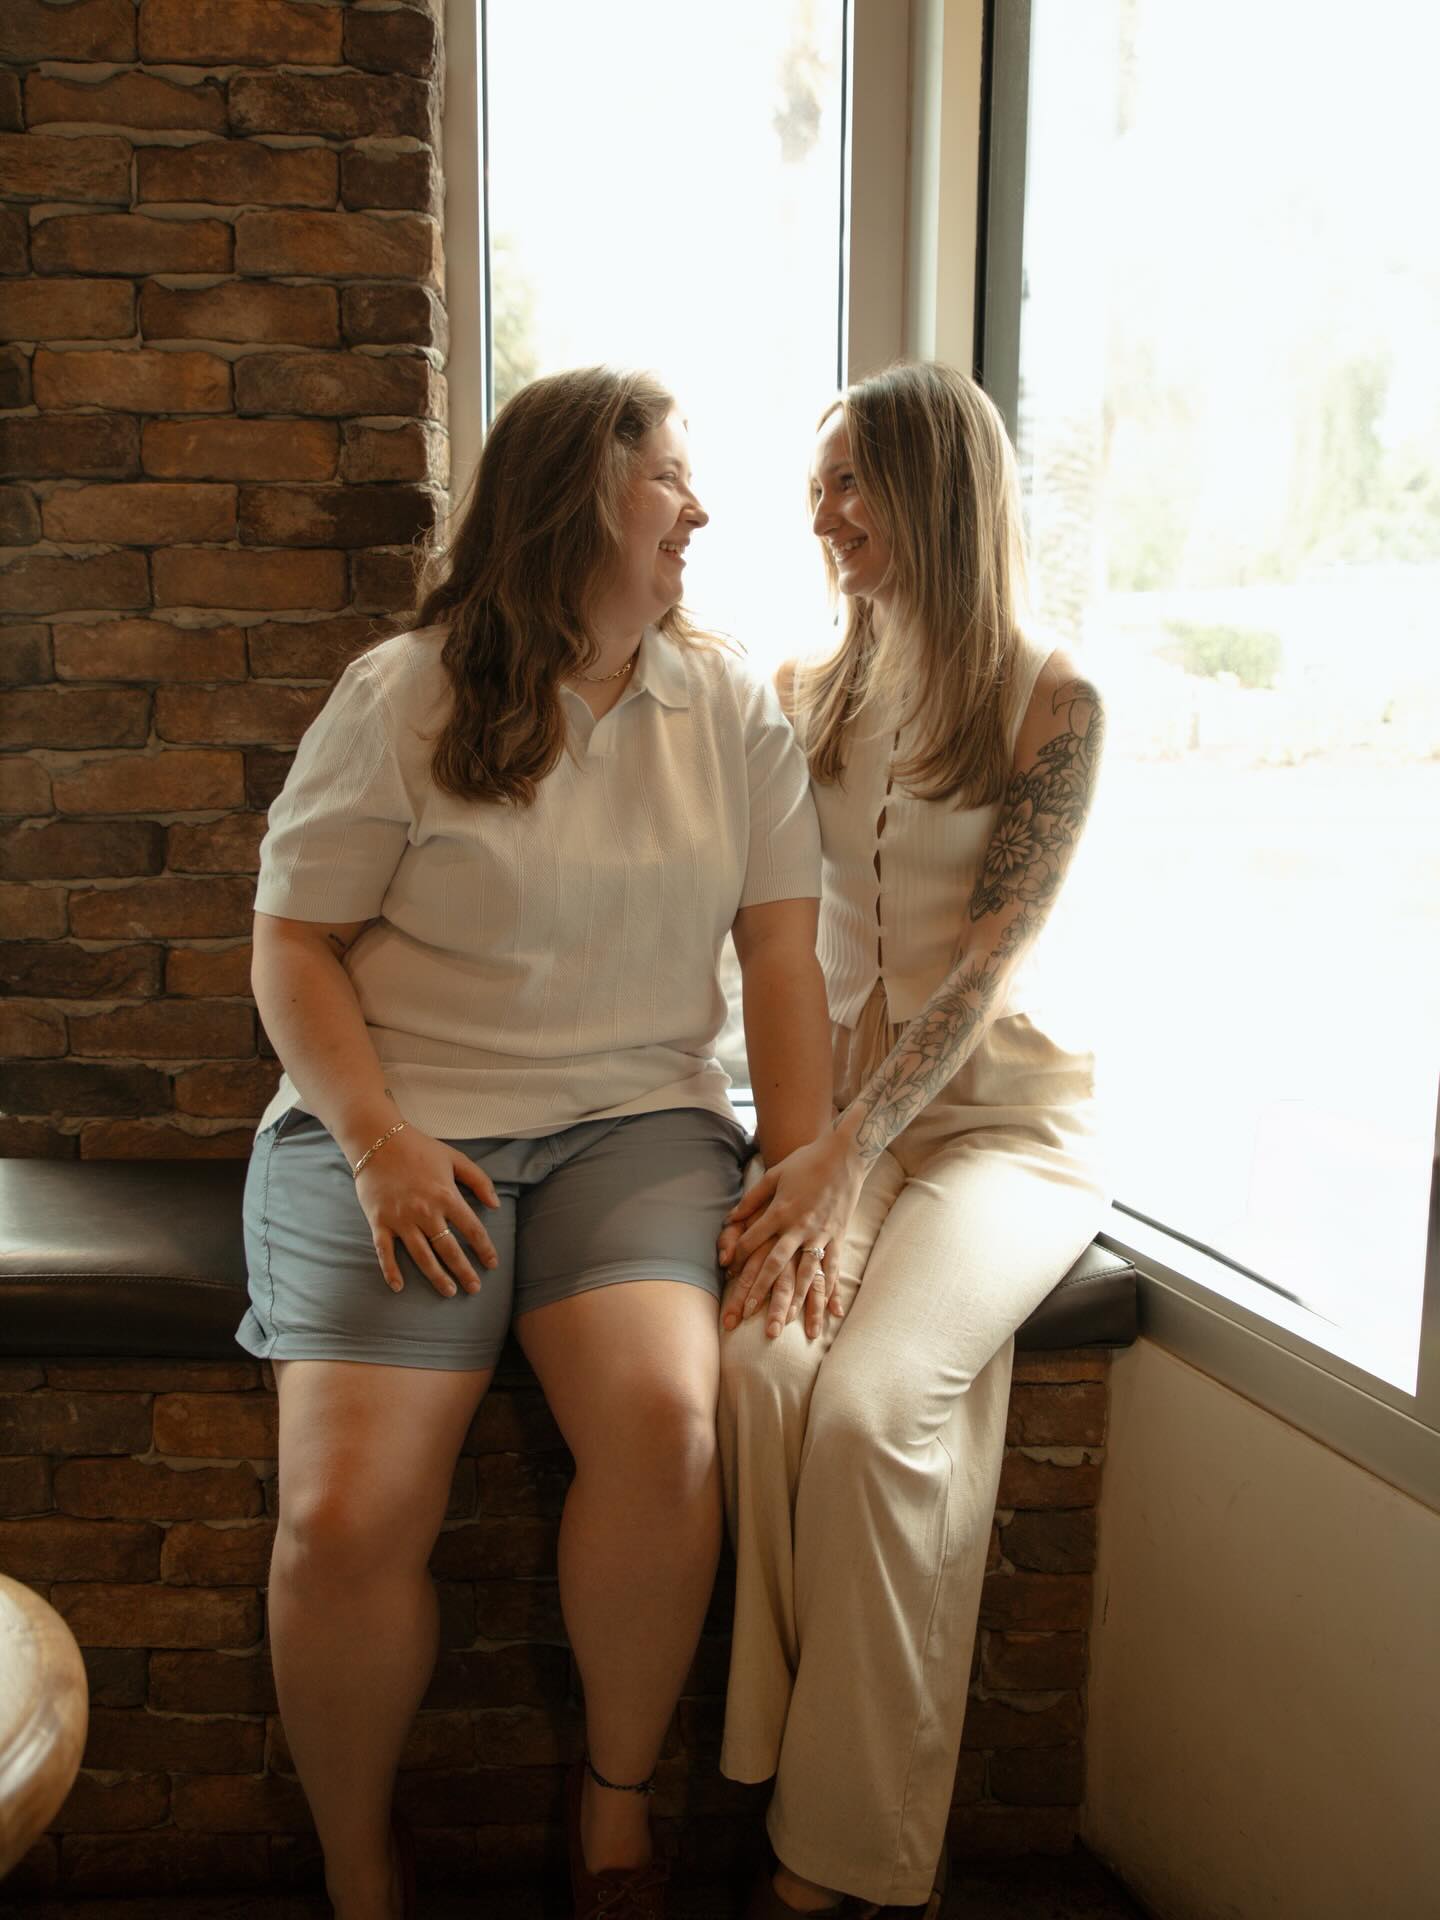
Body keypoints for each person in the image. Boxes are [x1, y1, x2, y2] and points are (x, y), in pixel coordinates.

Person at [238, 366, 832, 1920]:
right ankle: (365, 1869)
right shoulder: (405, 694)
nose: (699, 512)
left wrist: (810, 1168)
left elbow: (780, 959)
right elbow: (289, 947)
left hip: (632, 1127)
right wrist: (374, 1141)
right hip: (398, 1124)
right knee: (348, 1511)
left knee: (668, 1429)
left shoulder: (733, 709)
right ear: (580, 496)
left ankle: (614, 1814)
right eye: (671, 482)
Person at [713, 362, 1107, 1918]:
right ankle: (792, 1749)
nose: (820, 513)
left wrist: (846, 1161)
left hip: (1004, 1132)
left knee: (877, 1415)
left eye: (851, 481)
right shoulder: (807, 693)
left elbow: (985, 964)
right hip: (838, 1130)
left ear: (938, 496)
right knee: (755, 1369)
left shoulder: (1052, 704)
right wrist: (789, 1141)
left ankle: (834, 1863)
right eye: (819, 483)